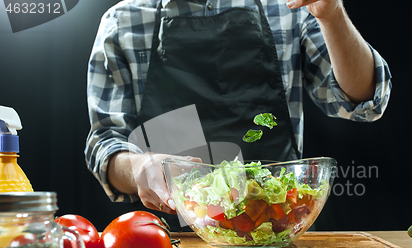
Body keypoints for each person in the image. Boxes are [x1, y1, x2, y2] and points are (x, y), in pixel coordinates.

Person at [85, 0, 392, 225]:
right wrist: (139, 165)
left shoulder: (291, 8)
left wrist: (332, 15)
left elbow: (364, 101)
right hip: (170, 241)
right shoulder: (123, 22)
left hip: (278, 227)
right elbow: (104, 144)